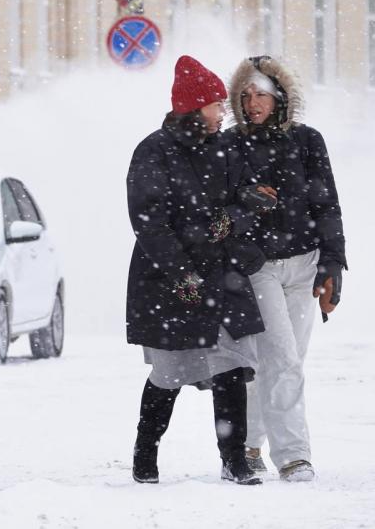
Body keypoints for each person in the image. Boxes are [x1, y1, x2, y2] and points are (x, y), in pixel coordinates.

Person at [126, 55, 274, 486]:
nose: (223, 111)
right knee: (169, 372)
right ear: (195, 107)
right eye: (215, 104)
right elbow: (149, 223)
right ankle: (145, 455)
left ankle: (234, 460)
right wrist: (181, 273)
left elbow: (244, 199)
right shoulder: (153, 151)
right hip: (169, 278)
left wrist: (234, 218)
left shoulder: (225, 148)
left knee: (230, 366)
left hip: (222, 274)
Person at [224, 56, 347, 482]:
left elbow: (327, 205)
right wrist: (244, 201)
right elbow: (217, 208)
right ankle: (294, 457)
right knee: (282, 359)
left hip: (304, 263)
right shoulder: (229, 145)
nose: (252, 103)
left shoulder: (308, 141)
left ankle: (247, 443)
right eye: (245, 95)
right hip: (259, 266)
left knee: (285, 359)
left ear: (279, 97)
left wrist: (332, 264)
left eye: (260, 94)